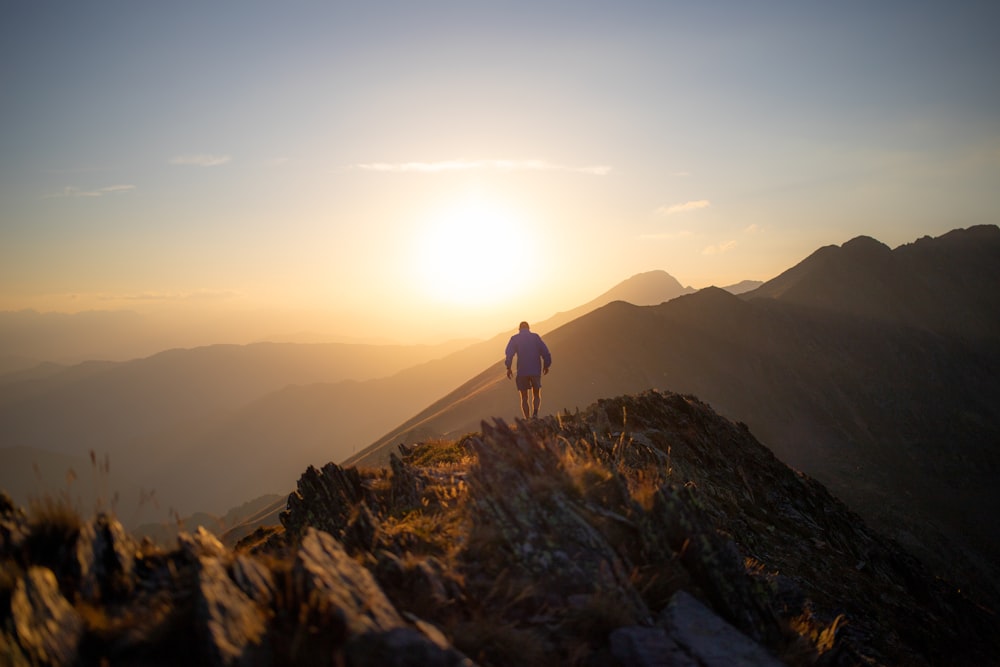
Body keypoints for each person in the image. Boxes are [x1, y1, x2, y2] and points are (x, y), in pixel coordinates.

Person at [504, 321, 552, 419]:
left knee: (524, 397)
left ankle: (527, 419)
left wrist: (508, 368)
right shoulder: (535, 337)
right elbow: (545, 352)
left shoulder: (515, 339)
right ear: (529, 328)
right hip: (535, 370)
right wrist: (546, 365)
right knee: (536, 393)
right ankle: (535, 414)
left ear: (519, 329)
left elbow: (509, 354)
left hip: (522, 371)